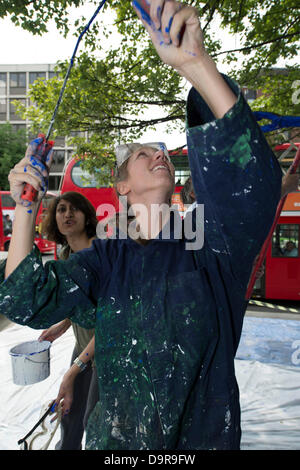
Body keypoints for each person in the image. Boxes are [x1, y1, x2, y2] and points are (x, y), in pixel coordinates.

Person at [0, 1, 283, 450]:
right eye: (140, 154)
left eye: (162, 152)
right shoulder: (107, 260)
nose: (158, 154)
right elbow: (24, 298)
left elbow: (255, 185)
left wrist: (196, 64)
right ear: (123, 188)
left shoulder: (212, 248)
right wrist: (25, 207)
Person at [38, 192, 99, 450]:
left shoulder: (101, 253)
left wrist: (72, 372)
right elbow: (80, 302)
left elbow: (110, 321)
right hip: (84, 344)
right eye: (61, 209)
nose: (67, 214)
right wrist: (61, 326)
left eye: (75, 209)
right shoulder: (65, 257)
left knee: (93, 419)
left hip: (107, 352)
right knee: (70, 415)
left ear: (87, 217)